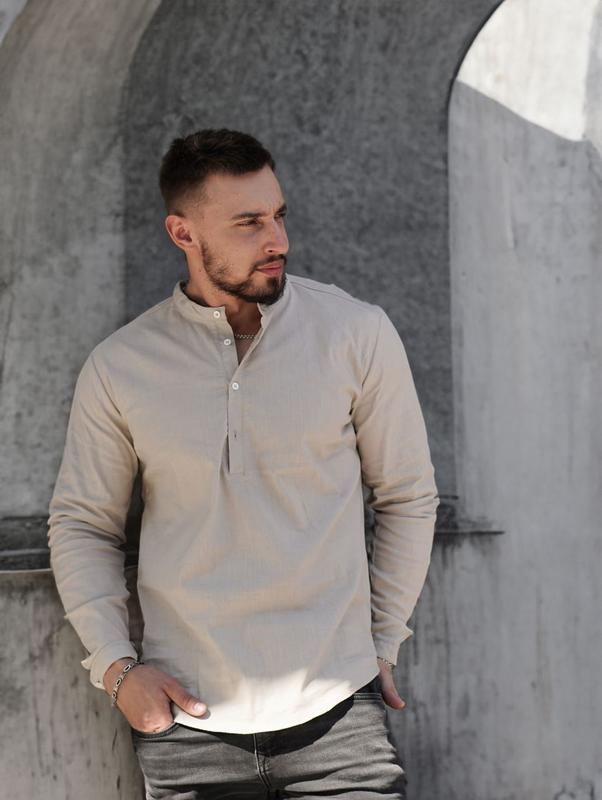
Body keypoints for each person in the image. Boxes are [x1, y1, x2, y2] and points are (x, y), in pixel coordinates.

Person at [47, 127, 440, 799]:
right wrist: (117, 670)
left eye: (279, 215)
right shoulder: (121, 367)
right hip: (187, 728)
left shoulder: (355, 333)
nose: (277, 239)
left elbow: (407, 495)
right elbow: (83, 524)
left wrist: (380, 643)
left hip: (339, 716)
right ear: (184, 233)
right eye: (249, 222)